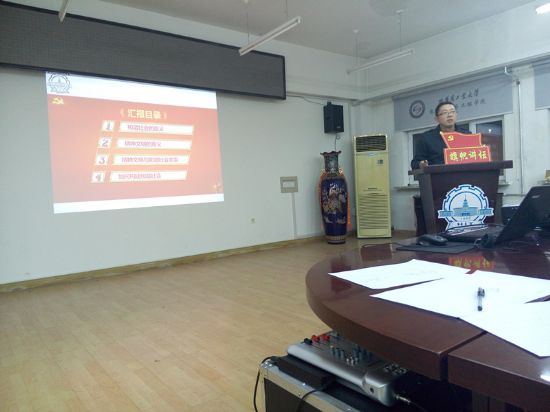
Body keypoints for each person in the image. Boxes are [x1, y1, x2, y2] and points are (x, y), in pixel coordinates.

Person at [410, 101, 471, 169]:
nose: (450, 115)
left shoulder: (466, 134)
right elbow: (415, 163)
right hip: (439, 174)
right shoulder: (426, 138)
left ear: (456, 115)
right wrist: (421, 164)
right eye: (445, 113)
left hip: (465, 174)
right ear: (437, 119)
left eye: (452, 112)